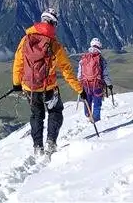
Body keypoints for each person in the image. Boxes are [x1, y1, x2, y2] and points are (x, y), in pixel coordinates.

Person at [12, 8, 83, 155]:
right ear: (54, 24)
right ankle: (51, 141)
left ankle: (37, 147)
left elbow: (18, 63)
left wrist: (16, 84)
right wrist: (80, 90)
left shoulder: (25, 40)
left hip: (29, 88)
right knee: (55, 111)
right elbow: (66, 71)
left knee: (36, 116)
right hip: (49, 88)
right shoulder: (55, 44)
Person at [77, 37, 113, 123]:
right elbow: (105, 74)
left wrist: (79, 82)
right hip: (97, 85)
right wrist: (109, 84)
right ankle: (95, 119)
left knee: (87, 100)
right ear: (99, 46)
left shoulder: (84, 57)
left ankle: (88, 115)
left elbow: (80, 72)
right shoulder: (101, 59)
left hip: (86, 84)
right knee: (97, 103)